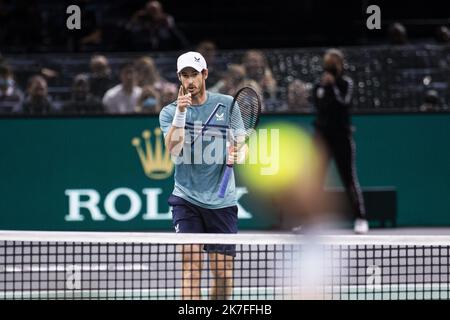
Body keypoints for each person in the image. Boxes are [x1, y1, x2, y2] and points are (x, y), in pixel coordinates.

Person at [159, 51, 246, 299]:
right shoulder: (168, 112)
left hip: (222, 203)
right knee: (191, 268)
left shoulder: (227, 103)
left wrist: (238, 153)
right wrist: (181, 113)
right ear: (179, 78)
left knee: (223, 274)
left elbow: (243, 142)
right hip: (186, 200)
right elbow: (173, 150)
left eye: (194, 74)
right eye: (184, 75)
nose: (190, 81)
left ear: (204, 74)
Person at [312, 49, 368, 234]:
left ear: (340, 64)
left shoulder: (346, 83)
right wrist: (324, 87)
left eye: (333, 63)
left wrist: (333, 86)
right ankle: (311, 221)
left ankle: (361, 218)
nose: (330, 66)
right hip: (323, 137)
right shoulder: (318, 85)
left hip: (342, 137)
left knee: (349, 178)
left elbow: (344, 103)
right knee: (315, 180)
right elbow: (320, 107)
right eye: (327, 63)